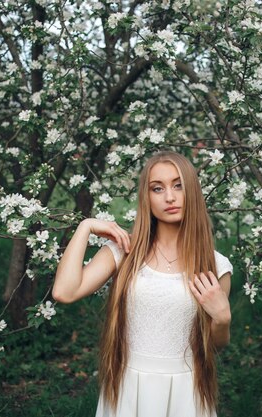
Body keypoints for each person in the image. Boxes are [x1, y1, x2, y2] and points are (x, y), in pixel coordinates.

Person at [52, 151, 233, 417]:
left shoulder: (215, 265)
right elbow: (64, 292)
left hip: (186, 391)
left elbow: (214, 346)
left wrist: (222, 319)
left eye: (178, 185)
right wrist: (86, 227)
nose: (169, 197)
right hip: (129, 388)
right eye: (157, 188)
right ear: (146, 198)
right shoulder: (125, 250)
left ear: (192, 191)